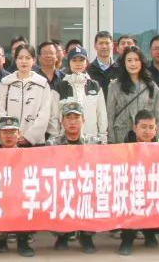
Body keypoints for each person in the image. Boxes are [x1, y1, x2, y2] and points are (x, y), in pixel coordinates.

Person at [49, 101, 100, 254]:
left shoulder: (94, 143)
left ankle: (86, 235)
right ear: (62, 121)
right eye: (68, 118)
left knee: (92, 194)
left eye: (76, 118)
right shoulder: (52, 144)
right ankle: (62, 235)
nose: (72, 122)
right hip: (63, 186)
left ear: (83, 120)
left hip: (86, 186)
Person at [0, 44, 56, 146]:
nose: (24, 61)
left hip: (35, 144)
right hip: (9, 143)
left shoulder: (42, 84)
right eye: (20, 58)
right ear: (15, 60)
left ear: (33, 60)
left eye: (27, 58)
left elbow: (44, 115)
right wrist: (10, 135)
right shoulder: (5, 83)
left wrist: (29, 137)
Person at [119, 110, 159, 255]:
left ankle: (150, 233)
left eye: (151, 127)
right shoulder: (122, 148)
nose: (147, 131)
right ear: (134, 128)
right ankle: (127, 239)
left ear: (156, 129)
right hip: (129, 191)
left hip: (152, 190)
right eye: (143, 127)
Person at [0, 115, 33, 257]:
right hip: (1, 199)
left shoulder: (29, 155)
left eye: (12, 132)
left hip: (21, 199)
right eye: (5, 132)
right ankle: (1, 240)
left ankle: (23, 241)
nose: (8, 136)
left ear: (19, 134)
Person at [106, 46, 159, 144]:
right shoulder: (114, 86)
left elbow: (157, 118)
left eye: (136, 60)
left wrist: (158, 142)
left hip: (146, 139)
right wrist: (111, 141)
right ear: (124, 63)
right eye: (129, 60)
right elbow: (110, 116)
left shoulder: (152, 86)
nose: (133, 64)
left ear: (141, 62)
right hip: (121, 137)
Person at [53, 47, 108, 142]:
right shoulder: (60, 87)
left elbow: (101, 114)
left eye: (81, 60)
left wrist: (102, 138)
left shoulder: (95, 86)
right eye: (74, 60)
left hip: (91, 141)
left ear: (86, 62)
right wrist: (57, 140)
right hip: (66, 142)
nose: (78, 63)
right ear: (69, 62)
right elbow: (54, 117)